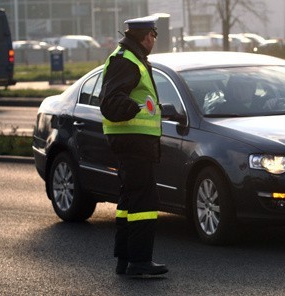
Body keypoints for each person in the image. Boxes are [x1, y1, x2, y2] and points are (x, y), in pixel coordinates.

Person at [99, 15, 168, 277]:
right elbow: (112, 100)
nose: (154, 40)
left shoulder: (131, 58)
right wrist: (130, 107)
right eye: (153, 35)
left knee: (130, 200)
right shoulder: (126, 61)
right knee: (144, 200)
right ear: (145, 35)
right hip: (134, 141)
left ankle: (126, 259)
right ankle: (140, 261)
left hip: (134, 141)